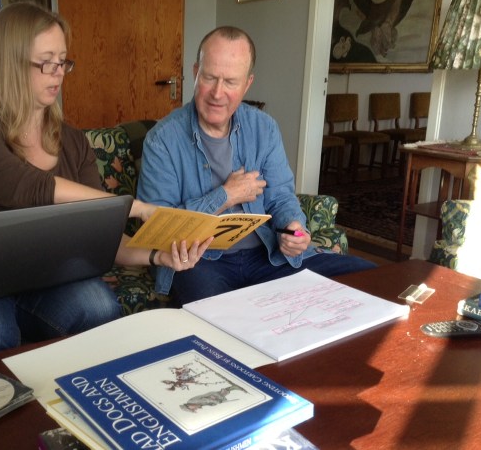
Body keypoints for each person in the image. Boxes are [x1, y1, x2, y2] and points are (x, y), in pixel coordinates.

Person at [0, 2, 211, 363]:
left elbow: (101, 237)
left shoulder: (73, 141)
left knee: (98, 305)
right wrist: (136, 207)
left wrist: (159, 256)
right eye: (47, 62)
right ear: (9, 63)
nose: (59, 73)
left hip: (40, 280)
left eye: (63, 61)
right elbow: (25, 188)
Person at [137, 26, 376, 305]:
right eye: (210, 78)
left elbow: (281, 197)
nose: (217, 93)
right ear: (195, 72)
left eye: (230, 82)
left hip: (266, 255)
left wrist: (294, 229)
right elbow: (160, 230)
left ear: (247, 84)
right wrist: (225, 196)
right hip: (199, 261)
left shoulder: (263, 127)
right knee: (216, 315)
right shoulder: (162, 140)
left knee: (368, 276)